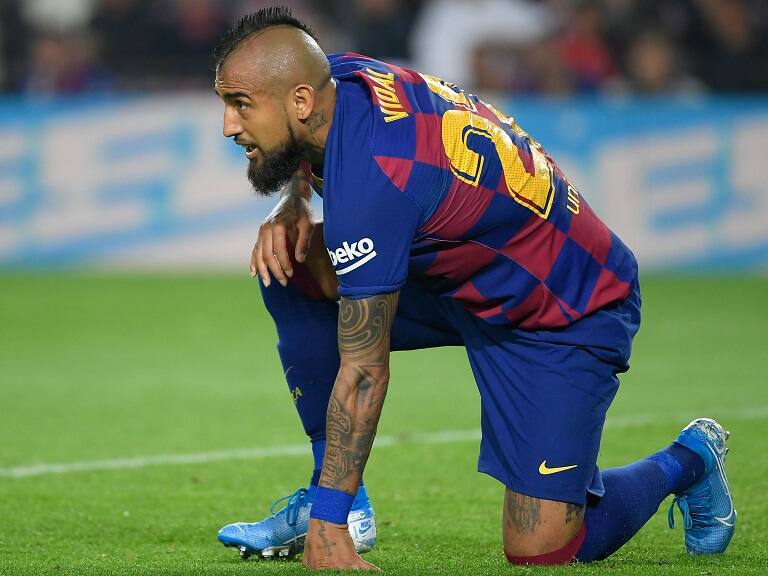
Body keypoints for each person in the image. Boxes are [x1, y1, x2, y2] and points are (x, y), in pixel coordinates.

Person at [212, 6, 736, 570]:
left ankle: (689, 460)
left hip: (561, 306)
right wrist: (294, 201)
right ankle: (337, 496)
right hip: (462, 277)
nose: (227, 125)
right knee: (291, 264)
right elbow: (310, 138)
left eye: (240, 104)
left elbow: (364, 369)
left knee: (542, 550)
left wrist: (327, 530)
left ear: (299, 101)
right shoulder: (340, 77)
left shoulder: (378, 177)